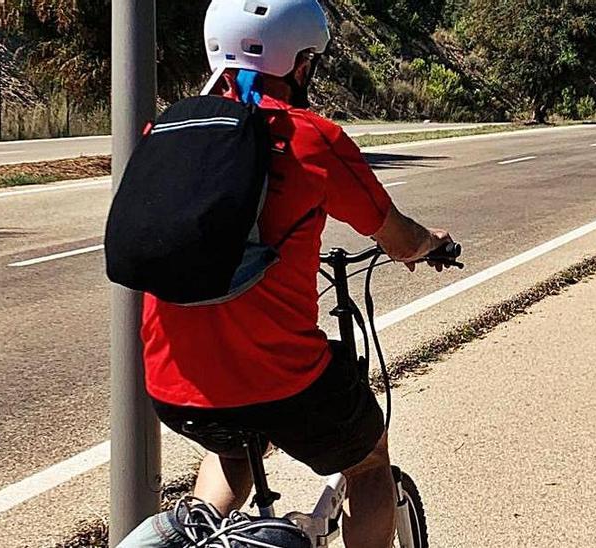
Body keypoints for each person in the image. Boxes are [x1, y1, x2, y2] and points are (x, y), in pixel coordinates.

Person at [119, 1, 450, 547]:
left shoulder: (168, 131)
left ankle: (200, 534)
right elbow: (395, 234)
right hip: (287, 385)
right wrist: (428, 246)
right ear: (299, 65)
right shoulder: (311, 138)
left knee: (232, 446)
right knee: (369, 463)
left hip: (175, 386)